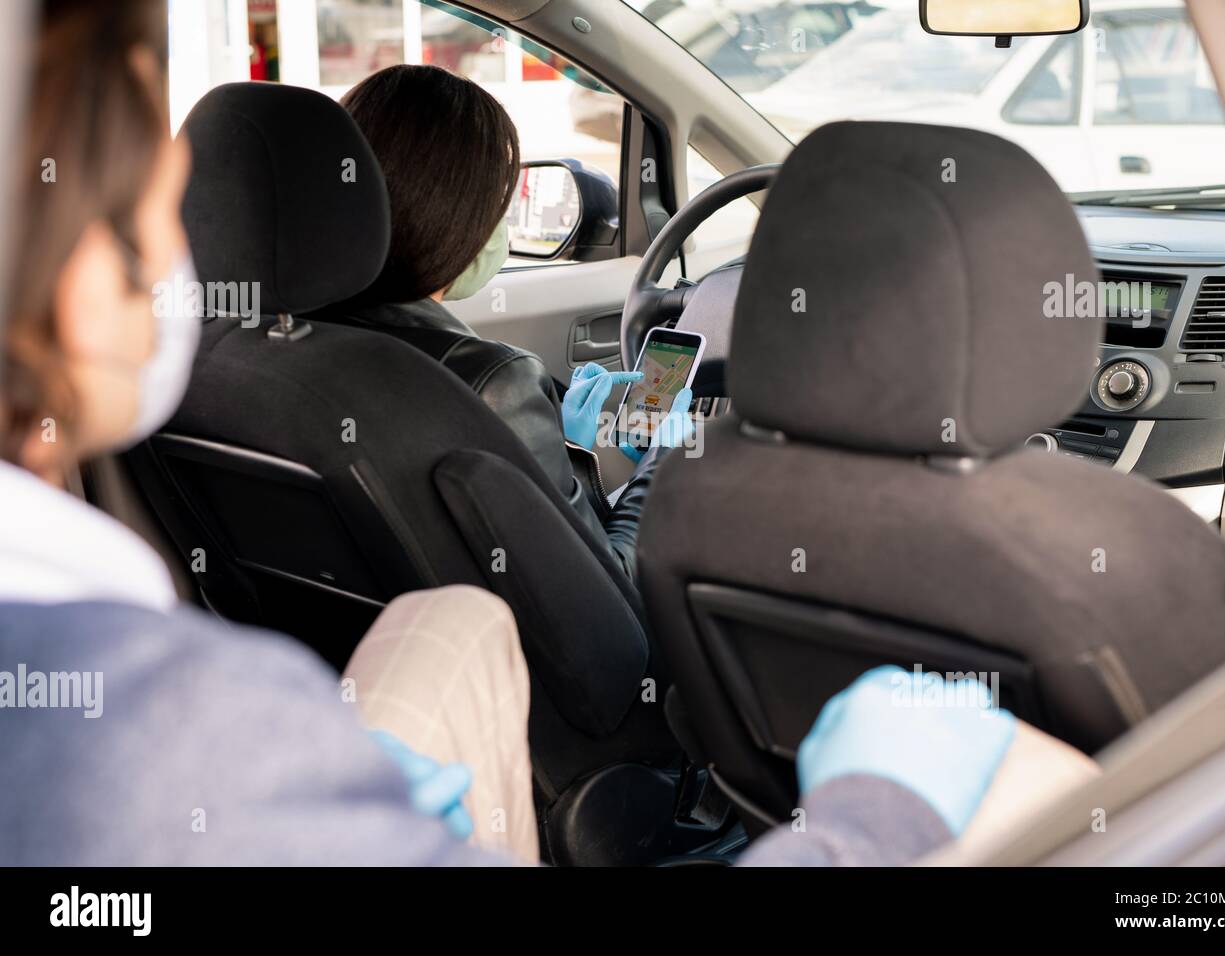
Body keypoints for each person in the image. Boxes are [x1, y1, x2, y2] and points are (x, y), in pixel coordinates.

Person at [0, 0, 1041, 868]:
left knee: (455, 624)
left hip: (366, 687)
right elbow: (617, 625)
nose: (180, 246)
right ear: (81, 275)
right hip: (603, 768)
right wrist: (867, 813)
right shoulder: (150, 738)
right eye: (151, 206)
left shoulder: (242, 383)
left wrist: (577, 464)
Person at [313, 64, 691, 581]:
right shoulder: (492, 382)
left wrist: (569, 451)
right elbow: (608, 588)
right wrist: (665, 463)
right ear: (448, 214)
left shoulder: (255, 343)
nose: (500, 228)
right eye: (497, 205)